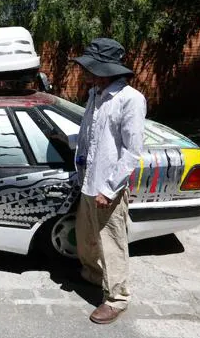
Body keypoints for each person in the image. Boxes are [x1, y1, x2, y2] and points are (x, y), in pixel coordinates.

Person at [71, 38, 146, 324]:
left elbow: (132, 151)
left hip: (107, 189)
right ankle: (93, 275)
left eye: (92, 68)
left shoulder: (130, 99)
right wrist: (67, 140)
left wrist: (109, 188)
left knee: (112, 244)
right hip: (88, 182)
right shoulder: (95, 94)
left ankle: (117, 298)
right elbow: (91, 136)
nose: (86, 73)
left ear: (108, 70)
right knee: (86, 239)